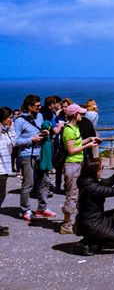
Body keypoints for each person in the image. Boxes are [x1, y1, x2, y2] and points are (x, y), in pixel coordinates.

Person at [13, 94, 56, 222]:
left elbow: (43, 126)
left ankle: (42, 208)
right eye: (37, 106)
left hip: (41, 153)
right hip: (27, 155)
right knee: (28, 184)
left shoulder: (40, 116)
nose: (39, 108)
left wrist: (46, 131)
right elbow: (15, 141)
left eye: (39, 105)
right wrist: (31, 139)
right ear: (29, 106)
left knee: (44, 181)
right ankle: (25, 209)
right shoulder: (19, 121)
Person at [60, 103, 101, 234]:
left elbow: (77, 142)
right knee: (72, 194)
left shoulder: (75, 127)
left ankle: (74, 221)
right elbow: (71, 150)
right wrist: (87, 145)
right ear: (74, 115)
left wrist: (89, 139)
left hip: (79, 162)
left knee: (79, 193)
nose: (82, 115)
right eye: (80, 113)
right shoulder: (68, 130)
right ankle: (66, 224)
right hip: (71, 164)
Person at [76, 157, 114, 256]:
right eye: (102, 167)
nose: (103, 169)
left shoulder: (86, 180)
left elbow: (108, 183)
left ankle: (92, 239)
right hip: (92, 225)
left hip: (94, 219)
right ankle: (92, 244)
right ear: (95, 170)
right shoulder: (93, 187)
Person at [0, 106, 16, 236]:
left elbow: (13, 143)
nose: (11, 120)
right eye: (10, 118)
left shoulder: (4, 130)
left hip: (4, 168)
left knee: (2, 195)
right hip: (0, 169)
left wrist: (10, 129)